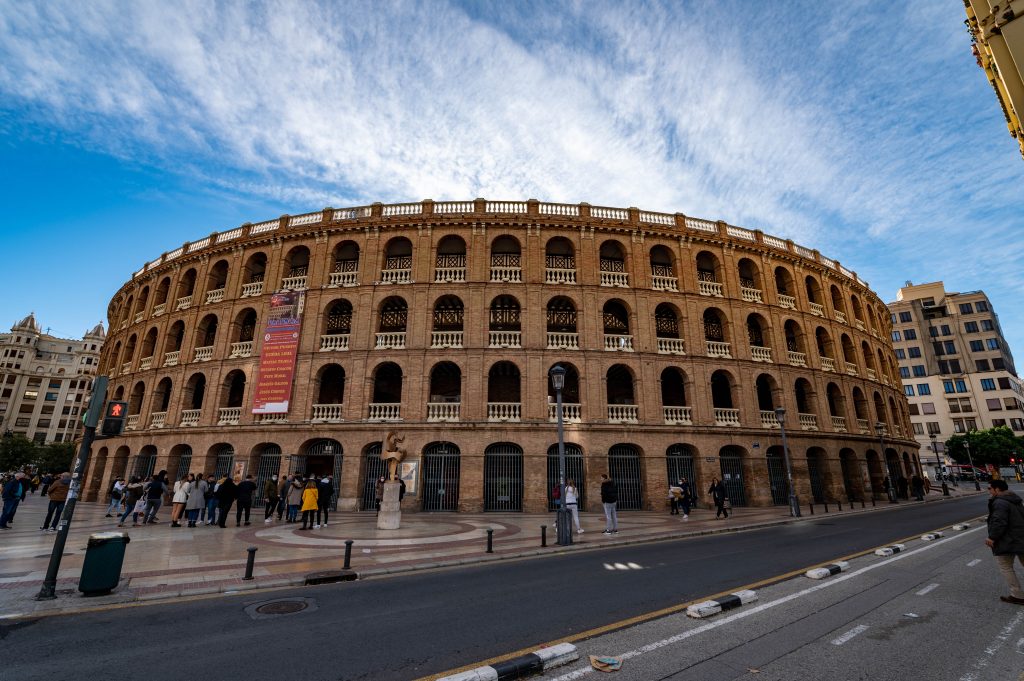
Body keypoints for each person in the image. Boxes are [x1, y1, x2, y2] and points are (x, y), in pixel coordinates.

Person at [985, 479, 1024, 604]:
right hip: (1020, 538)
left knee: (1006, 566)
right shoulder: (1015, 499)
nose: (988, 491)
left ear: (997, 489)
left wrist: (992, 537)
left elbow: (999, 521)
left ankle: (1017, 595)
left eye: (989, 488)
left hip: (1008, 540)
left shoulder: (1000, 502)